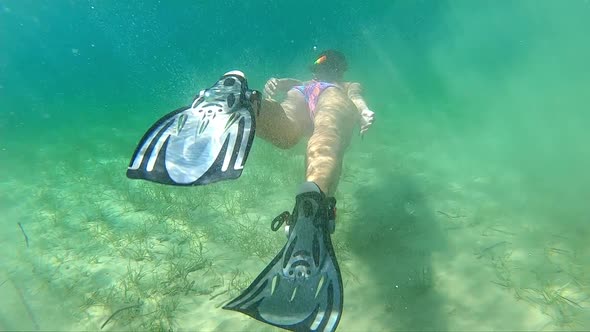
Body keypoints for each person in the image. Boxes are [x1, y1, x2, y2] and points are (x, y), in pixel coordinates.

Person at [255, 49, 375, 197]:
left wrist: (277, 82)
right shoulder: (346, 85)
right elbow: (355, 95)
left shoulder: (306, 84)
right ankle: (315, 201)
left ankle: (249, 105)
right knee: (327, 138)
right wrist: (363, 110)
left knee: (286, 134)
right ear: (341, 69)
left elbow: (291, 82)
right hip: (331, 94)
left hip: (300, 92)